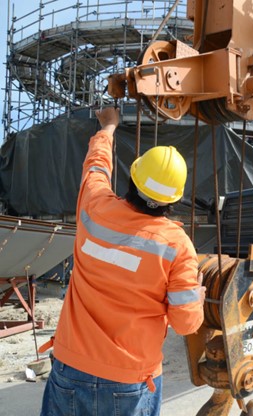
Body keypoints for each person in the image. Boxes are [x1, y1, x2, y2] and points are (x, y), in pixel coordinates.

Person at [40, 107, 205, 416]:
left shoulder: (95, 207)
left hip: (71, 367)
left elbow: (96, 166)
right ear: (174, 199)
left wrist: (108, 127)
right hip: (130, 380)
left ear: (133, 178)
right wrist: (196, 297)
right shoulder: (177, 246)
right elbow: (186, 324)